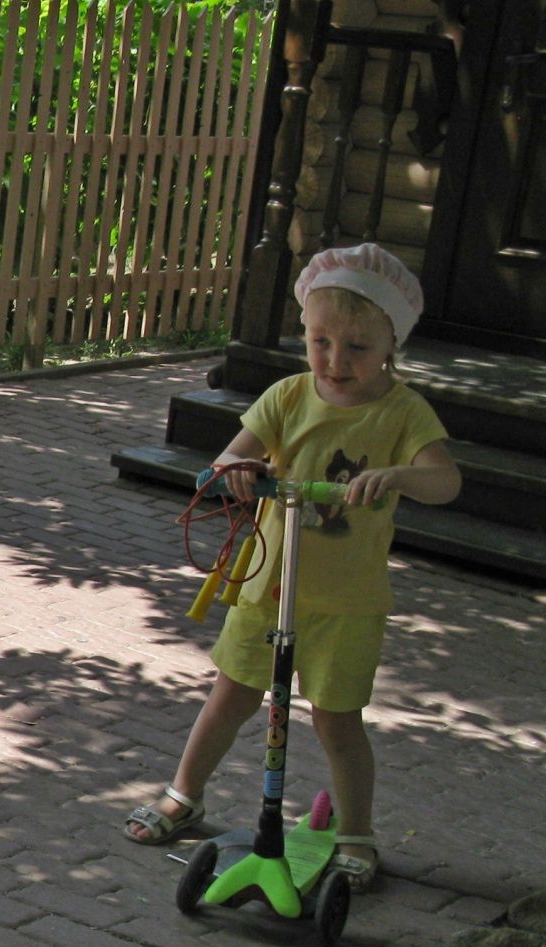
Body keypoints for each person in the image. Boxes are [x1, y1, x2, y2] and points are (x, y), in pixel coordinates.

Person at [122, 243, 462, 890]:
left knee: (337, 720)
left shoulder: (403, 412)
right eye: (320, 342)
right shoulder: (287, 396)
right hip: (269, 587)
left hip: (347, 601)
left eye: (357, 347)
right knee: (231, 695)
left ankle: (356, 832)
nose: (335, 361)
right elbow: (223, 462)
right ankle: (183, 794)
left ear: (391, 344)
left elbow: (445, 481)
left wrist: (399, 475)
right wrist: (241, 468)